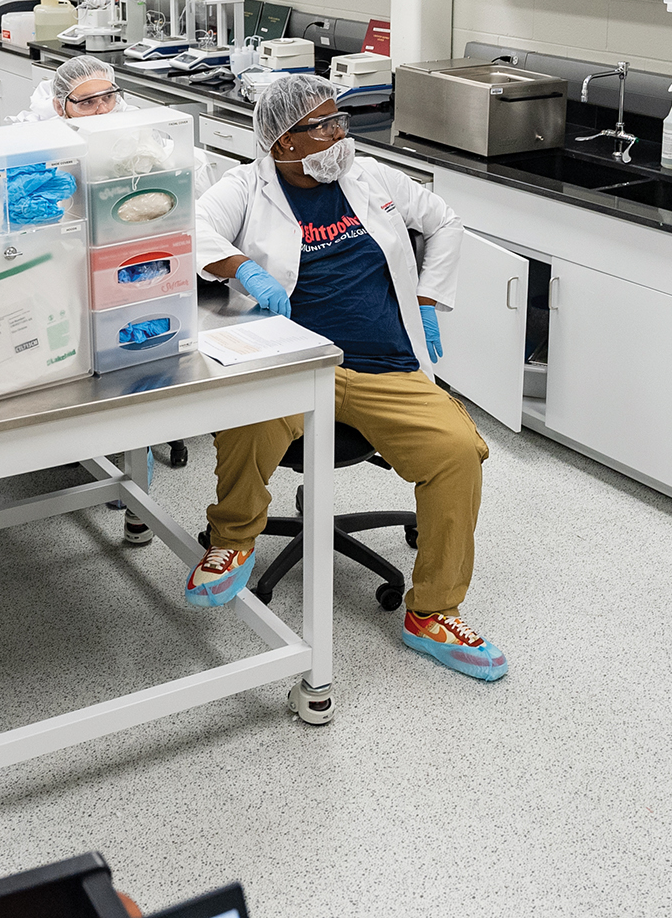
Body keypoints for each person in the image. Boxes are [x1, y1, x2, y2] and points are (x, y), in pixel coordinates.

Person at [190, 74, 506, 681]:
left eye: (341, 122)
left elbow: (445, 222)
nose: (340, 136)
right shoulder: (246, 188)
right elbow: (189, 228)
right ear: (280, 142)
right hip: (294, 357)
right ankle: (232, 537)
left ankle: (433, 611)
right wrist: (242, 269)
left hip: (383, 363)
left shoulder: (373, 179)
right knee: (248, 425)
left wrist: (430, 299)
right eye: (322, 126)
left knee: (457, 452)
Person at [13, 53, 122, 123]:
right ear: (59, 107)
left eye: (108, 97)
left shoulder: (129, 124)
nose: (104, 110)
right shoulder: (45, 143)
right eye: (88, 102)